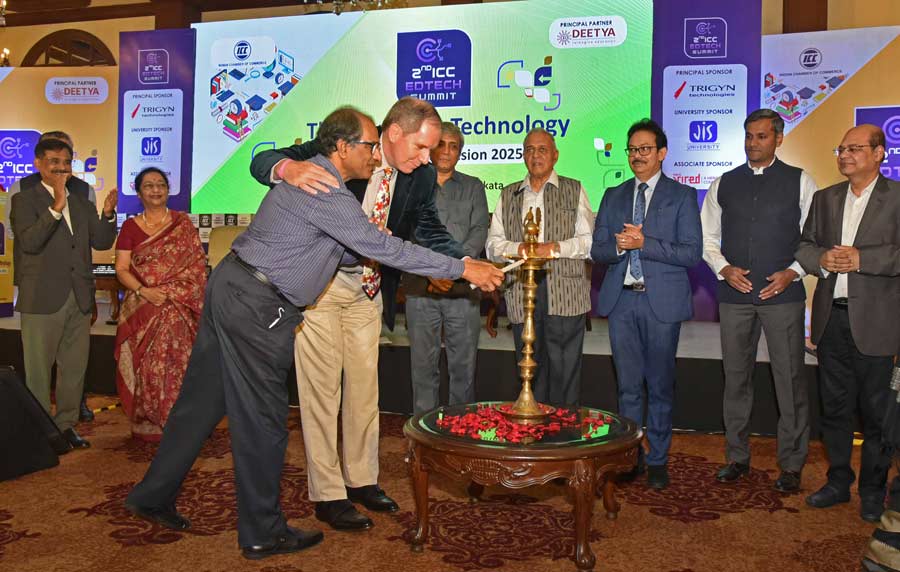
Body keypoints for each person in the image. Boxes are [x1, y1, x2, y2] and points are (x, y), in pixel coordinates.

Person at [125, 106, 503, 560]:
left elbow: (343, 246)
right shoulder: (325, 184)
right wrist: (462, 268)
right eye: (419, 146)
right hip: (258, 304)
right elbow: (376, 244)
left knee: (201, 403)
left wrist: (450, 262)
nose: (427, 156)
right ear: (347, 146)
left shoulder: (343, 179)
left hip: (235, 286)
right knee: (263, 422)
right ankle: (262, 531)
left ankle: (151, 495)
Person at [249, 98, 466, 531]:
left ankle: (361, 480)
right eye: (422, 148)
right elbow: (264, 160)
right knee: (321, 393)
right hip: (322, 288)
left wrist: (460, 263)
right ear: (393, 134)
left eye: (433, 150)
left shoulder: (418, 177)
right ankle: (328, 494)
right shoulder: (346, 149)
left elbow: (426, 226)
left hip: (369, 291)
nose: (429, 159)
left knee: (366, 392)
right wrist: (285, 170)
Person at [700, 108, 816, 492]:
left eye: (762, 136)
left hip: (783, 296)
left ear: (778, 139)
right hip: (734, 296)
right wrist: (724, 269)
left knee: (790, 380)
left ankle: (792, 464)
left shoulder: (801, 182)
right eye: (749, 136)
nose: (753, 143)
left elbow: (812, 241)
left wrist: (792, 273)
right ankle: (737, 457)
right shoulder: (724, 183)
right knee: (735, 379)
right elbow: (707, 239)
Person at [796, 123, 900, 523]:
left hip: (878, 324)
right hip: (830, 322)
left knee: (876, 415)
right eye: (841, 148)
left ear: (879, 153)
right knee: (835, 410)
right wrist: (820, 259)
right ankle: (838, 482)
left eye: (855, 148)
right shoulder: (825, 199)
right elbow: (804, 246)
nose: (844, 155)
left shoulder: (896, 198)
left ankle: (873, 491)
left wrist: (863, 260)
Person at [591, 119, 702, 490]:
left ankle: (657, 460)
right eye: (632, 150)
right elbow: (598, 250)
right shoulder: (613, 195)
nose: (637, 156)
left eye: (645, 149)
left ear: (662, 153)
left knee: (659, 386)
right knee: (627, 388)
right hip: (622, 301)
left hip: (661, 305)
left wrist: (644, 244)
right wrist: (621, 246)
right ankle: (629, 456)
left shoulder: (681, 196)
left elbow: (691, 253)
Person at [10, 138, 117, 453]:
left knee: (74, 368)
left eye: (66, 162)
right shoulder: (24, 201)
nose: (61, 167)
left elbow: (99, 242)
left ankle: (66, 426)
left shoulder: (82, 201)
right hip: (42, 297)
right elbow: (29, 242)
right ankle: (41, 431)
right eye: (54, 161)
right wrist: (56, 206)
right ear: (38, 164)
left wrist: (108, 215)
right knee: (39, 370)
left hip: (80, 297)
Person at [486, 128, 593, 406]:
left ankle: (563, 437)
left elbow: (588, 242)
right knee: (529, 368)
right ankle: (533, 434)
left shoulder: (574, 188)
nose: (536, 156)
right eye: (530, 150)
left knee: (565, 370)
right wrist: (519, 249)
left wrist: (554, 248)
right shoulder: (508, 194)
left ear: (555, 155)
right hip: (523, 291)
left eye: (542, 149)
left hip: (565, 291)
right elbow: (492, 245)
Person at [113, 167, 207, 442]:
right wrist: (145, 291)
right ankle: (152, 420)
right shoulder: (130, 227)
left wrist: (170, 292)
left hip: (179, 308)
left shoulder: (182, 225)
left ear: (168, 190)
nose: (155, 190)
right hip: (144, 308)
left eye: (160, 185)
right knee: (148, 367)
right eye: (149, 185)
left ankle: (180, 421)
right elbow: (121, 269)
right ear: (139, 192)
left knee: (179, 364)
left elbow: (197, 268)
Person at [405, 122, 489, 414]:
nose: (447, 151)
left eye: (455, 146)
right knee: (422, 371)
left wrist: (452, 271)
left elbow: (479, 233)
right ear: (431, 147)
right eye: (442, 144)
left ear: (460, 153)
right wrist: (430, 270)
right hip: (420, 288)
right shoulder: (411, 185)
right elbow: (405, 234)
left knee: (463, 372)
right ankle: (424, 438)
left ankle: (460, 439)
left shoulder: (474, 186)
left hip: (463, 291)